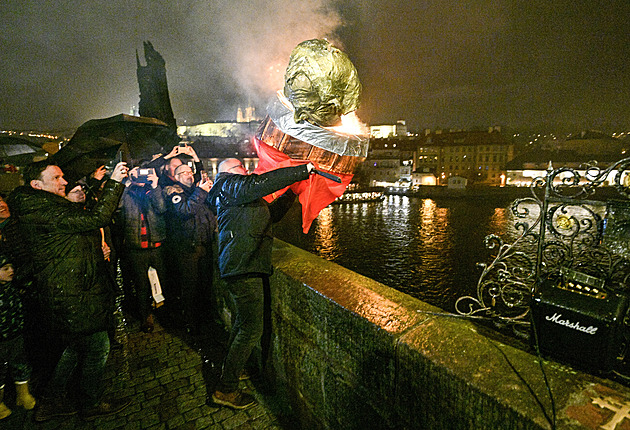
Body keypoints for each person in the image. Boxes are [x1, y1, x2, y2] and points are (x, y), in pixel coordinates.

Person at [7, 160, 131, 422]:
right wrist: (115, 182)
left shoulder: (45, 206)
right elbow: (96, 217)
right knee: (98, 347)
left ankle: (50, 402)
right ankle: (90, 403)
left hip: (71, 292)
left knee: (76, 348)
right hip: (72, 295)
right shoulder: (43, 210)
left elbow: (69, 240)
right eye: (57, 178)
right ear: (36, 185)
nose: (64, 182)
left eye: (64, 177)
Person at [207, 158, 314, 409]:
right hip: (243, 266)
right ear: (230, 172)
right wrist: (301, 170)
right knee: (250, 329)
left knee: (243, 325)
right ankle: (226, 389)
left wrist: (291, 191)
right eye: (242, 168)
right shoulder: (228, 184)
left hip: (245, 264)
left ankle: (232, 369)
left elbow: (270, 215)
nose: (247, 170)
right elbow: (260, 183)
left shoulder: (239, 195)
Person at [164, 163, 216, 333]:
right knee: (190, 287)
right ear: (176, 177)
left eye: (190, 172)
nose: (189, 175)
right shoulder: (175, 193)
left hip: (204, 245)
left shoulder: (198, 192)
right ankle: (189, 322)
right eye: (184, 173)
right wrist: (201, 192)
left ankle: (205, 318)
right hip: (187, 248)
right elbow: (185, 210)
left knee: (205, 284)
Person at [117, 165, 167, 333]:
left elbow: (161, 208)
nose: (140, 176)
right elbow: (117, 207)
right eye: (136, 172)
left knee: (163, 280)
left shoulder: (152, 190)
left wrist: (154, 186)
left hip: (156, 245)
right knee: (141, 285)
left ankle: (163, 312)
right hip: (136, 246)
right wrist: (126, 183)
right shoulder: (127, 191)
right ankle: (146, 316)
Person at [0, 254, 36, 420]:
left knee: (20, 364)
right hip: (1, 340)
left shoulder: (13, 287)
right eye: (5, 269)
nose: (11, 271)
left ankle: (23, 396)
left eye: (11, 267)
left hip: (15, 335)